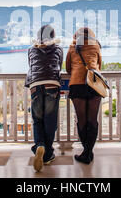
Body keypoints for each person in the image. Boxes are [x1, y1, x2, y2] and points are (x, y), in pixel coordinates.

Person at [25, 25, 63, 172]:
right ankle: (47, 154)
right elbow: (58, 65)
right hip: (51, 84)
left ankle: (39, 145)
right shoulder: (58, 49)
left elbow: (31, 65)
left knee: (37, 120)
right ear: (53, 36)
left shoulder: (31, 49)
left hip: (35, 85)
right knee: (50, 121)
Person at [65, 27, 102, 164]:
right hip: (94, 84)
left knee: (82, 120)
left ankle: (86, 152)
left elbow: (68, 68)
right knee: (93, 120)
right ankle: (88, 152)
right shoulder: (96, 45)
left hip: (77, 84)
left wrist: (77, 70)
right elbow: (99, 65)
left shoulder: (72, 47)